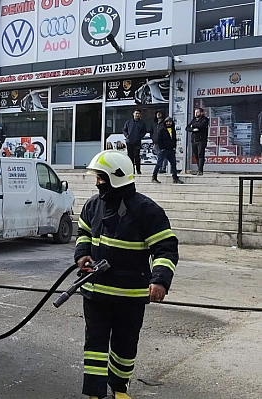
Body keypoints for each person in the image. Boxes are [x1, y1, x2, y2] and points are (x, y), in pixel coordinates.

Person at [75, 150, 178, 399]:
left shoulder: (147, 211)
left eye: (101, 178)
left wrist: (160, 280)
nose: (97, 182)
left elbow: (165, 248)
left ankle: (120, 389)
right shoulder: (93, 205)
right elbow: (83, 233)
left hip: (129, 296)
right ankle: (95, 393)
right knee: (95, 346)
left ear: (115, 178)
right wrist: (82, 255)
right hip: (95, 292)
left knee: (125, 346)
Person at [152, 117, 183, 184]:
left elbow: (174, 139)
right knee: (159, 164)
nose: (169, 123)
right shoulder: (161, 130)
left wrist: (174, 147)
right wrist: (162, 148)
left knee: (173, 164)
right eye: (167, 122)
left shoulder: (173, 130)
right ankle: (154, 177)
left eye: (170, 122)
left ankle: (175, 178)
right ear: (165, 122)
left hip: (171, 149)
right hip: (163, 150)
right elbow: (159, 140)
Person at [122, 109, 148, 174]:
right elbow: (124, 130)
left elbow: (144, 131)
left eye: (139, 114)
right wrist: (127, 135)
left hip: (137, 142)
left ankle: (138, 170)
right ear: (133, 114)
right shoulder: (129, 122)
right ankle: (131, 170)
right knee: (130, 156)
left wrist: (139, 137)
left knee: (137, 156)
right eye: (136, 113)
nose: (137, 115)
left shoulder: (142, 123)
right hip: (129, 142)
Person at [186, 108, 209, 175]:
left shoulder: (205, 119)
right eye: (195, 112)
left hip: (201, 140)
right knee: (196, 155)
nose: (196, 114)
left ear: (201, 113)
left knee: (200, 154)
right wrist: (193, 129)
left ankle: (200, 170)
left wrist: (193, 125)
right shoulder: (193, 119)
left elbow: (201, 125)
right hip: (194, 140)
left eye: (197, 112)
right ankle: (198, 168)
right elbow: (187, 128)